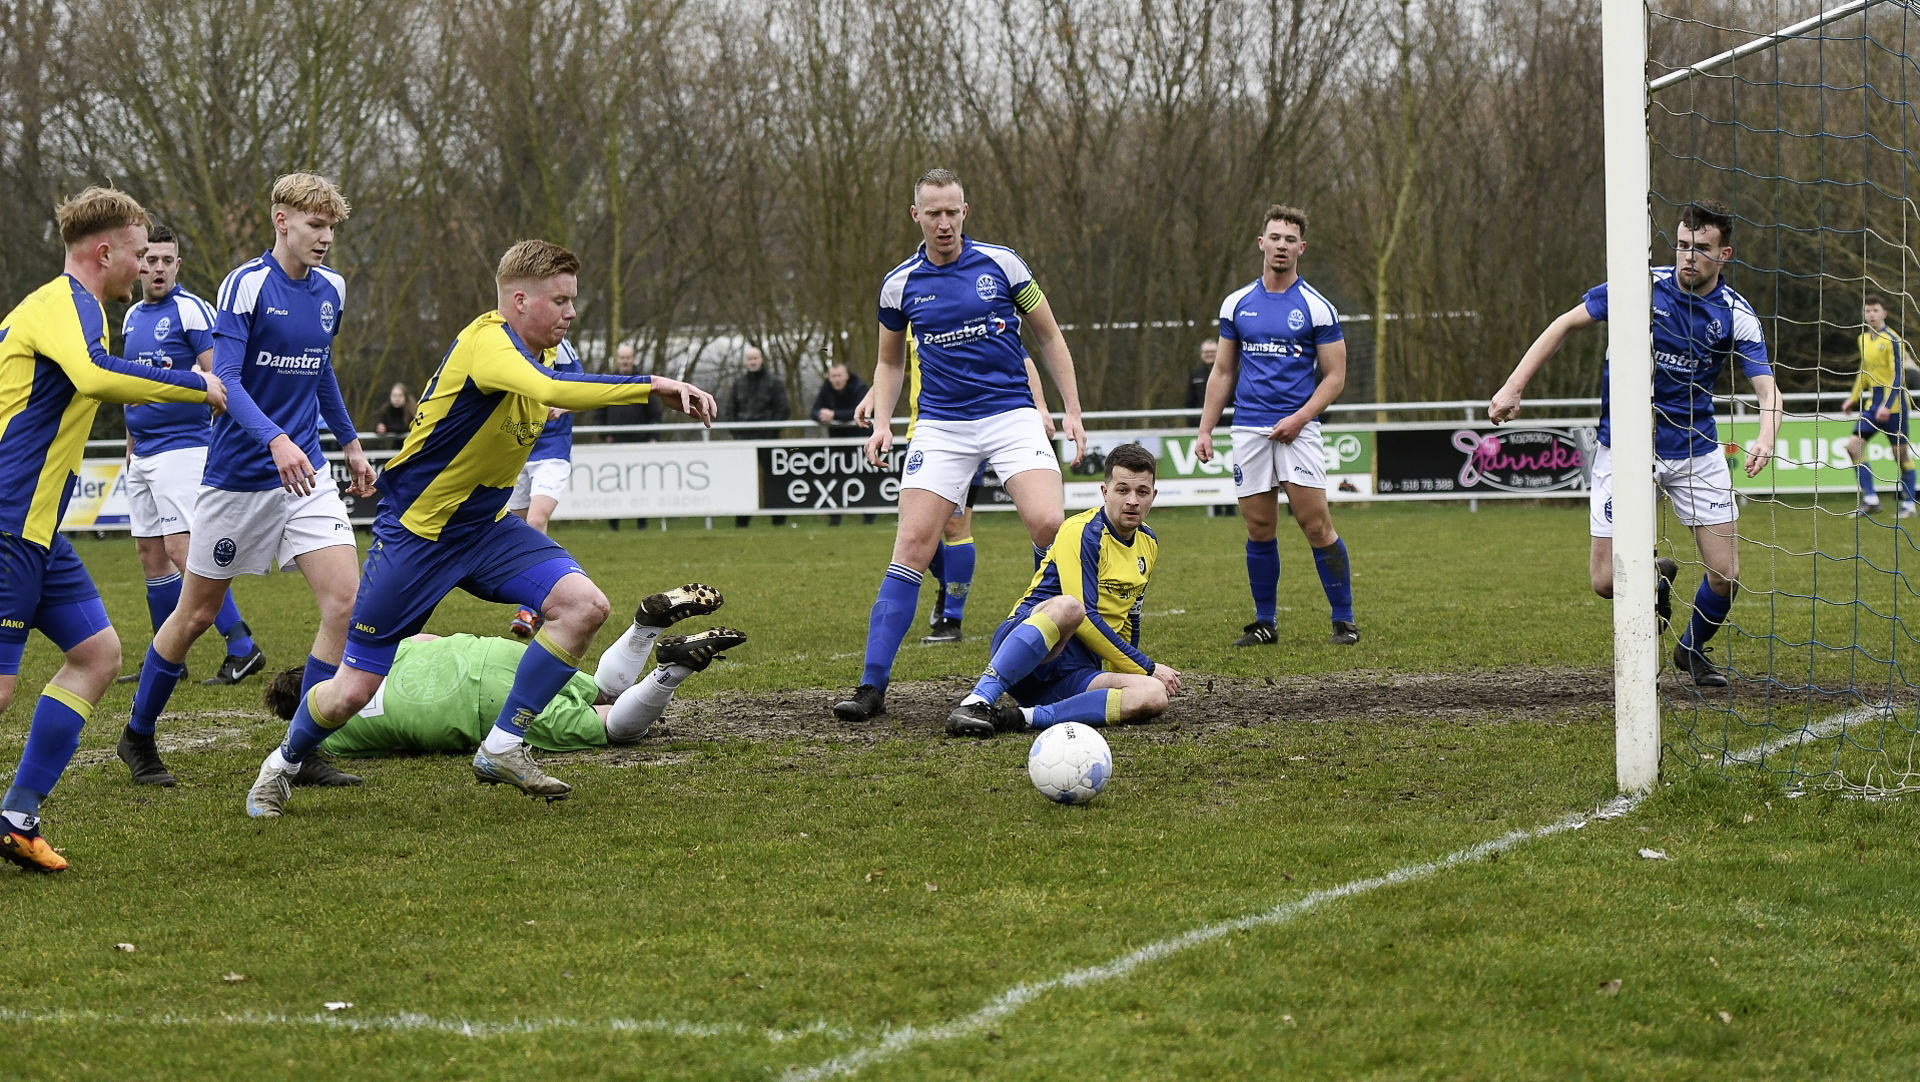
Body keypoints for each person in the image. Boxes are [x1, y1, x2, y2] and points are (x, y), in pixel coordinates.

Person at [245, 239, 718, 818]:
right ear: (519, 301)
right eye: (560, 302)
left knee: (584, 607)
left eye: (573, 301)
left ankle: (501, 746)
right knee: (352, 692)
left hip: (485, 529)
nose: (571, 314)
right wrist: (655, 385)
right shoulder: (488, 342)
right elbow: (551, 391)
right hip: (419, 538)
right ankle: (282, 764)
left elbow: (561, 386)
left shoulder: (548, 350)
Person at [120, 173, 376, 791]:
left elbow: (320, 371)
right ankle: (138, 734)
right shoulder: (246, 284)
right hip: (238, 478)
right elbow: (226, 381)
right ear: (282, 220)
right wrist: (275, 438)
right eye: (315, 225)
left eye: (332, 227)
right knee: (196, 614)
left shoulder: (333, 289)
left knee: (345, 604)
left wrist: (348, 442)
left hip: (305, 474)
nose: (326, 238)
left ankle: (301, 748)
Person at [0, 186, 226, 872]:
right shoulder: (66, 305)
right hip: (9, 520)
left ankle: (18, 817)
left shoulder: (70, 309)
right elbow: (95, 376)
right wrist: (195, 384)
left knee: (97, 654)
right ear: (105, 252)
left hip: (38, 529)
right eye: (136, 252)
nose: (144, 265)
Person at [1490, 198, 1782, 688]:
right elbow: (1564, 323)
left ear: (1724, 254)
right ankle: (1656, 578)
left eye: (1702, 248)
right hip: (1624, 449)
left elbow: (1768, 390)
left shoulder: (1736, 314)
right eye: (1683, 245)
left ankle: (1691, 650)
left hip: (1696, 452)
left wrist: (1765, 436)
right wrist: (1513, 386)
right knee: (1606, 582)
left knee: (1726, 574)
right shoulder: (1639, 287)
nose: (1689, 256)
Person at [833, 167, 1088, 722]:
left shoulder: (1004, 263)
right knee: (912, 545)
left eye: (953, 211)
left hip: (1011, 413)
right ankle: (871, 687)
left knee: (1050, 524)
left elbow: (1048, 334)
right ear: (916, 216)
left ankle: (1057, 654)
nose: (944, 222)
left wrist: (1070, 407)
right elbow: (889, 362)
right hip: (941, 425)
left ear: (965, 211)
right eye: (934, 213)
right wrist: (882, 421)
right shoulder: (899, 284)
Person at [262, 592, 743, 757]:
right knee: (596, 689)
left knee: (612, 727)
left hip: (479, 706)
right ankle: (644, 626)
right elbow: (427, 639)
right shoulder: (371, 657)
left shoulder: (331, 735)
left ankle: (674, 668)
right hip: (491, 653)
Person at [1195, 205, 1359, 648]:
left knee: (1316, 526)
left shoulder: (1318, 307)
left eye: (1290, 239)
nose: (1281, 246)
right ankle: (1265, 623)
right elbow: (1223, 372)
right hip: (1249, 430)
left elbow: (1336, 377)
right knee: (1259, 528)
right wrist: (1206, 429)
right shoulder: (1236, 303)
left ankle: (1344, 620)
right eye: (1275, 237)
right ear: (1261, 243)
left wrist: (1300, 418)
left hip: (1299, 431)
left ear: (1301, 248)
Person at [115, 223, 265, 693]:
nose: (158, 268)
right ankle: (167, 658)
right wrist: (130, 442)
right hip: (143, 452)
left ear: (177, 265)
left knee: (184, 551)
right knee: (151, 554)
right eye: (150, 260)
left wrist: (201, 418)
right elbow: (131, 383)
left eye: (167, 260)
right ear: (139, 263)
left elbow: (221, 379)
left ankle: (242, 646)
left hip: (182, 448)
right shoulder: (131, 316)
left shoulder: (191, 310)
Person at [945, 443, 1178, 737]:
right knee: (1070, 607)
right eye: (1122, 490)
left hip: (1078, 671)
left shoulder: (1148, 542)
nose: (1132, 501)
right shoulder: (1081, 531)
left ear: (1153, 496)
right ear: (1105, 492)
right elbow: (1085, 616)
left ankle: (1021, 718)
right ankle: (977, 701)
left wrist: (1132, 676)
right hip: (1029, 653)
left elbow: (1130, 618)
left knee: (1153, 694)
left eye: (1141, 492)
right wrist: (1147, 667)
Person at [923, 355, 1057, 644]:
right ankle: (949, 582)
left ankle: (951, 619)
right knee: (917, 529)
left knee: (955, 526)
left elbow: (1022, 357)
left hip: (965, 426)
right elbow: (893, 365)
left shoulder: (979, 329)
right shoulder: (910, 329)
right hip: (924, 431)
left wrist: (1041, 408)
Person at [506, 338, 583, 637]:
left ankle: (530, 608)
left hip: (552, 449)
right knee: (517, 531)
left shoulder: (559, 346)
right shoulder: (506, 340)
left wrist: (561, 407)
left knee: (536, 522)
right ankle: (538, 595)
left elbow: (581, 389)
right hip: (517, 447)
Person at [1842, 294, 1915, 517]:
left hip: (1895, 406)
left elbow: (1898, 376)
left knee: (1900, 456)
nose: (1871, 314)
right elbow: (1864, 371)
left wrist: (1888, 404)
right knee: (1853, 447)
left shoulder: (1893, 340)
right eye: (1867, 311)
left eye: (1875, 310)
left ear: (1884, 313)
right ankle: (1871, 500)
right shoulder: (1862, 339)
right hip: (1873, 405)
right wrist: (1853, 397)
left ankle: (1909, 505)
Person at [596, 343, 659, 531]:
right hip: (615, 443)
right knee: (613, 483)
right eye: (622, 358)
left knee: (640, 482)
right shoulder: (608, 382)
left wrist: (653, 436)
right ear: (617, 359)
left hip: (639, 442)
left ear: (634, 359)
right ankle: (613, 523)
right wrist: (604, 434)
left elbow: (655, 413)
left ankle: (642, 522)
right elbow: (599, 410)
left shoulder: (644, 383)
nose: (625, 361)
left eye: (628, 358)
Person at [729, 344, 790, 527]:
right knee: (743, 479)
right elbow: (730, 411)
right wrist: (737, 432)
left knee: (773, 478)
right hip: (744, 440)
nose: (753, 362)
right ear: (745, 362)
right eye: (749, 359)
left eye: (755, 358)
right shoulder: (738, 384)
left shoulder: (774, 383)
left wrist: (770, 432)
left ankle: (778, 518)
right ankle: (742, 520)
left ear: (761, 360)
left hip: (768, 439)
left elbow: (783, 409)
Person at [813, 361, 875, 526]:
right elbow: (814, 411)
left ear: (846, 376)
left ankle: (869, 516)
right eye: (833, 376)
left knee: (864, 476)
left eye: (839, 376)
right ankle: (835, 517)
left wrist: (834, 415)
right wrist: (821, 415)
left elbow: (860, 411)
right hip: (837, 443)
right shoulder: (826, 388)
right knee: (836, 479)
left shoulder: (859, 387)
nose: (836, 379)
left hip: (860, 440)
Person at [1185, 339, 1237, 516]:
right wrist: (1196, 427)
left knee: (1230, 468)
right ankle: (1215, 508)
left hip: (1227, 427)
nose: (1209, 355)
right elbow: (1189, 402)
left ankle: (1230, 507)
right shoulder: (1196, 374)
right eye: (1206, 352)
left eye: (1213, 352)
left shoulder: (1233, 372)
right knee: (1210, 468)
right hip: (1206, 430)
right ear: (1201, 355)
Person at [370, 382, 416, 450]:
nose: (397, 399)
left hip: (410, 447)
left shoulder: (411, 412)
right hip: (394, 447)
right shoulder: (386, 410)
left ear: (405, 397)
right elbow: (377, 425)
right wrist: (379, 428)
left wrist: (387, 429)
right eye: (394, 396)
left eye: (400, 396)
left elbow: (403, 428)